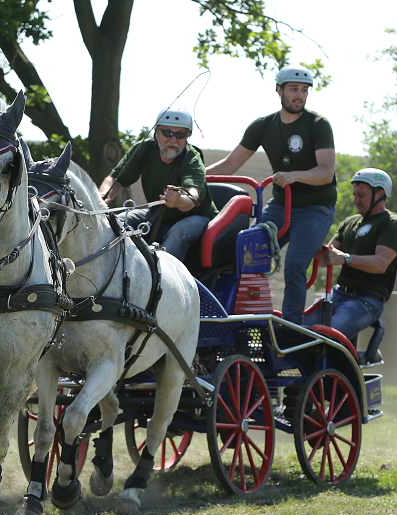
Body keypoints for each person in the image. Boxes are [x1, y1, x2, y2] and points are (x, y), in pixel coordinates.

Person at [206, 65, 336, 324]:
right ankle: (240, 318)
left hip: (315, 209)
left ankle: (290, 328)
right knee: (244, 252)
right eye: (293, 89)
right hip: (281, 206)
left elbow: (326, 172)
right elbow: (230, 165)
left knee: (295, 264)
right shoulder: (263, 126)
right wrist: (192, 179)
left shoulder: (318, 125)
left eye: (304, 90)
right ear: (279, 90)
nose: (299, 95)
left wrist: (294, 175)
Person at [303, 168, 397, 340]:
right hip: (338, 294)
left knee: (327, 338)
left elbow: (381, 264)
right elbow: (325, 259)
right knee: (298, 329)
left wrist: (346, 258)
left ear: (380, 194)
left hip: (367, 301)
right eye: (354, 195)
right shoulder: (350, 222)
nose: (356, 201)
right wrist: (313, 245)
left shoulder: (392, 224)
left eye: (361, 195)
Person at [100, 108, 215, 260]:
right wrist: (102, 197)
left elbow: (192, 195)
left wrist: (179, 200)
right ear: (156, 133)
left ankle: (162, 274)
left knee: (179, 232)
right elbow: (115, 179)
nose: (173, 140)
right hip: (155, 215)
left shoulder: (192, 159)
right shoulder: (144, 150)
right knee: (117, 223)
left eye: (180, 134)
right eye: (167, 133)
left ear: (188, 136)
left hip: (196, 218)